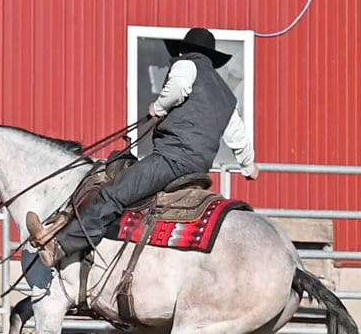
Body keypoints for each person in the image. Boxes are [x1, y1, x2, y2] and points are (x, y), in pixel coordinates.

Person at [26, 27, 259, 269]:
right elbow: (238, 135)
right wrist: (248, 166)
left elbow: (178, 89)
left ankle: (60, 248)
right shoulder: (226, 94)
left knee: (113, 193)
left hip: (171, 159)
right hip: (199, 168)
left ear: (183, 51)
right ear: (213, 59)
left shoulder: (187, 64)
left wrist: (158, 108)